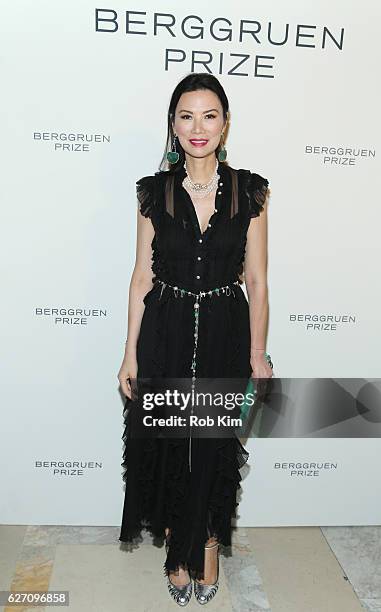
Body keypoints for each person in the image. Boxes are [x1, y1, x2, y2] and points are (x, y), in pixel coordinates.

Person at [117, 72, 273, 606]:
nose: (198, 127)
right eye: (187, 116)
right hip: (166, 330)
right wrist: (128, 354)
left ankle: (204, 545)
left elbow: (256, 280)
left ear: (225, 124)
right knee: (170, 448)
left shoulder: (249, 191)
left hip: (227, 334)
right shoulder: (153, 192)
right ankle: (176, 551)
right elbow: (141, 278)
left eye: (209, 115)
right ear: (173, 125)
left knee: (211, 447)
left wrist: (257, 354)